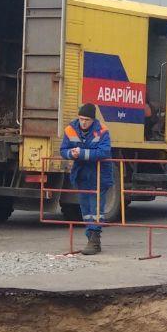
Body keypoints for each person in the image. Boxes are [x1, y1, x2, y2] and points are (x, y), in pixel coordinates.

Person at [60, 102, 112, 256]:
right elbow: (63, 150)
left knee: (96, 208)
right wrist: (71, 154)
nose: (83, 122)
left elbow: (104, 152)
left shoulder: (102, 130)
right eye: (81, 119)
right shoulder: (71, 129)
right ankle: (90, 237)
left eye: (86, 120)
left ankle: (94, 239)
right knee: (85, 208)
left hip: (99, 174)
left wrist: (81, 153)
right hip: (81, 174)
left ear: (93, 120)